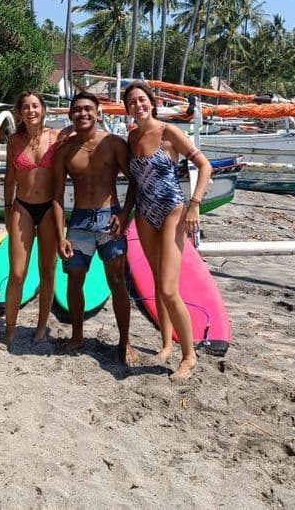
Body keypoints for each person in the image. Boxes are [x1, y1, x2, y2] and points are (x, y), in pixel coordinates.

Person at [123, 80, 212, 381]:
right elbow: (135, 182)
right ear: (128, 108)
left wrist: (196, 205)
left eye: (142, 99)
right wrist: (125, 214)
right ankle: (165, 343)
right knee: (155, 278)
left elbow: (205, 165)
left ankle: (189, 355)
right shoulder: (132, 138)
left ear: (151, 102)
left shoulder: (168, 133)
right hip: (145, 214)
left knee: (168, 289)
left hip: (173, 211)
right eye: (132, 101)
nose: (138, 105)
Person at [52, 92, 138, 365]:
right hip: (79, 221)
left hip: (109, 217)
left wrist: (124, 215)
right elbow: (56, 196)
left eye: (88, 109)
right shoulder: (65, 151)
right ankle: (77, 336)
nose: (83, 114)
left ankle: (125, 341)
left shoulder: (113, 144)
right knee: (74, 280)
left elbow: (134, 181)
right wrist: (59, 234)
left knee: (117, 282)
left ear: (98, 113)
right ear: (70, 116)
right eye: (77, 110)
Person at [2, 92, 62, 348]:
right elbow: (9, 179)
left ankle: (40, 328)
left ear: (43, 110)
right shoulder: (14, 140)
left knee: (47, 272)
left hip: (50, 209)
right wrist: (5, 209)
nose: (31, 111)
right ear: (20, 112)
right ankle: (10, 328)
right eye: (25, 107)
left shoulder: (57, 138)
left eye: (35, 106)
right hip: (22, 207)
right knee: (17, 273)